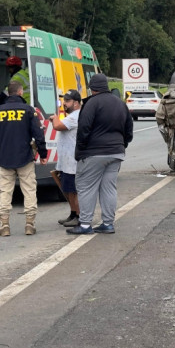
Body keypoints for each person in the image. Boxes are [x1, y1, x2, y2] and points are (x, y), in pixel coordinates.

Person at [67, 73, 133, 235]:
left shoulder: (91, 104)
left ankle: (85, 225)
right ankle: (108, 223)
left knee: (85, 188)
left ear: (92, 88)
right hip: (116, 152)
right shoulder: (120, 104)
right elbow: (129, 131)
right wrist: (121, 145)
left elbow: (83, 130)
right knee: (108, 188)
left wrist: (81, 150)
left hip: (93, 153)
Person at [0, 80, 48, 236]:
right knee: (29, 190)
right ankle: (29, 224)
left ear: (8, 93)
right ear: (20, 92)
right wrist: (43, 154)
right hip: (25, 157)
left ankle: (4, 226)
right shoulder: (28, 110)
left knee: (5, 191)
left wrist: (4, 141)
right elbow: (39, 135)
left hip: (5, 158)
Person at [51, 89, 83, 227]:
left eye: (68, 101)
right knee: (68, 189)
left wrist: (54, 118)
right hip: (66, 161)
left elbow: (57, 126)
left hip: (72, 162)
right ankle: (73, 213)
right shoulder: (72, 115)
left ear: (76, 103)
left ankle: (79, 216)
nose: (64, 104)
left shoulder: (76, 116)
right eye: (64, 100)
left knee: (73, 191)